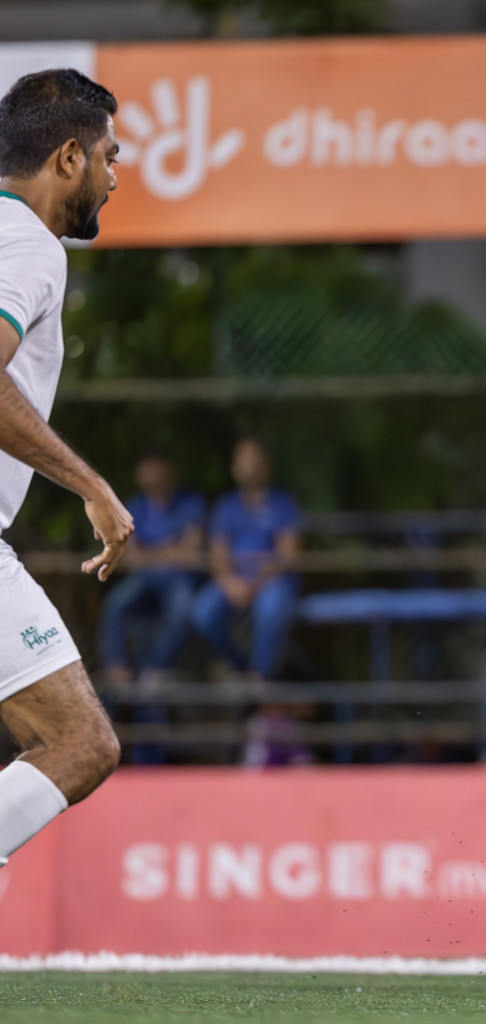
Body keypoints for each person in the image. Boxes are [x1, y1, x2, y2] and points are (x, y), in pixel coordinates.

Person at [0, 69, 130, 868]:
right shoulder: (28, 244)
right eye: (112, 156)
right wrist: (93, 486)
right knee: (78, 742)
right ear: (70, 158)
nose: (117, 176)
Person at [190, 438, 301, 680]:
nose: (249, 466)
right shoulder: (226, 506)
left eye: (255, 459)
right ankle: (241, 667)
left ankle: (262, 676)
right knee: (201, 613)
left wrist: (256, 583)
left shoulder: (283, 504)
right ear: (233, 468)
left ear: (267, 465)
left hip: (272, 580)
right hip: (234, 579)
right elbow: (217, 555)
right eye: (243, 460)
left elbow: (288, 554)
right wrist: (231, 583)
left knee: (270, 609)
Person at [97, 451, 204, 687]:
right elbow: (130, 556)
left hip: (179, 579)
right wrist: (170, 548)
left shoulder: (191, 503)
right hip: (145, 578)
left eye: (158, 467)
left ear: (171, 470)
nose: (153, 474)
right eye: (148, 468)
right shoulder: (133, 505)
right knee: (116, 602)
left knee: (183, 608)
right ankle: (116, 667)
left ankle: (155, 667)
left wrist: (150, 551)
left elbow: (190, 553)